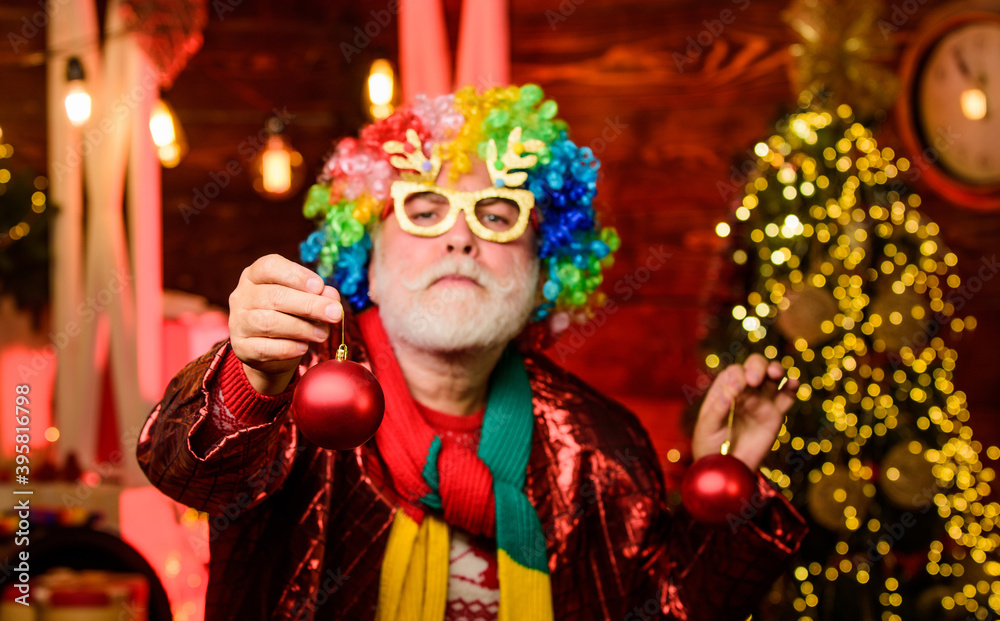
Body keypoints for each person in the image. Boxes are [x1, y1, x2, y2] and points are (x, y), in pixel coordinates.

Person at [138, 83, 806, 621]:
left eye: (496, 215)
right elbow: (186, 471)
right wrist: (249, 377)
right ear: (364, 259)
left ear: (546, 272)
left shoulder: (605, 447)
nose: (460, 239)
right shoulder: (298, 399)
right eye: (423, 208)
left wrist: (730, 490)